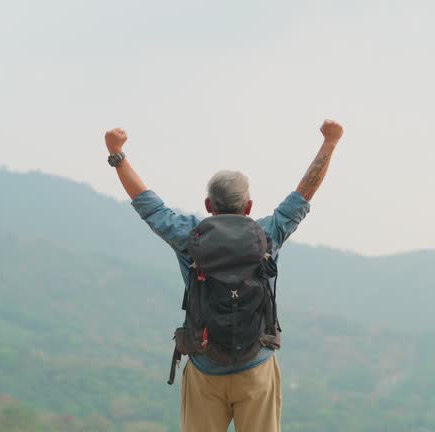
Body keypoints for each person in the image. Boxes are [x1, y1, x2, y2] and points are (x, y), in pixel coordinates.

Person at [104, 119, 344, 432]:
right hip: (256, 365)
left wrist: (117, 154)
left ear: (208, 205)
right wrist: (330, 142)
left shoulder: (189, 236)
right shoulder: (267, 234)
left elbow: (148, 205)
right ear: (248, 206)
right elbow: (303, 194)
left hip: (205, 367)